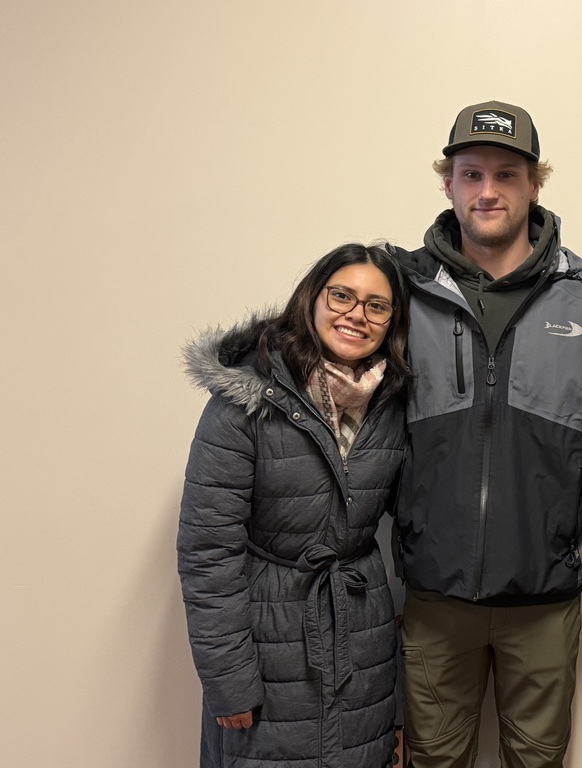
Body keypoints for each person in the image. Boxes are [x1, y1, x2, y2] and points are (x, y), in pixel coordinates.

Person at [389, 100, 582, 768]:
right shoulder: (401, 289)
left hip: (544, 595)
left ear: (535, 183)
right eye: (471, 173)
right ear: (448, 182)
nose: (488, 191)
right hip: (433, 594)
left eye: (507, 174)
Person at [176, 243, 413, 768]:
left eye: (377, 305)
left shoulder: (393, 400)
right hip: (269, 636)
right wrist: (228, 678)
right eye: (342, 296)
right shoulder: (246, 401)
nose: (357, 315)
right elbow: (207, 550)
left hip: (362, 632)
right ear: (312, 298)